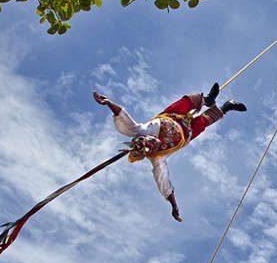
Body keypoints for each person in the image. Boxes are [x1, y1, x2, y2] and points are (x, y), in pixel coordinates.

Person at [93, 83, 246, 222]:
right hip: (186, 133)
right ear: (149, 151)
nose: (153, 143)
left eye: (149, 141)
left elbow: (124, 119)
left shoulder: (141, 131)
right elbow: (163, 183)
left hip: (173, 115)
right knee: (204, 121)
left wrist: (108, 103)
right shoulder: (157, 158)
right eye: (151, 147)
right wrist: (174, 206)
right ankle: (227, 107)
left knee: (186, 102)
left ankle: (207, 100)